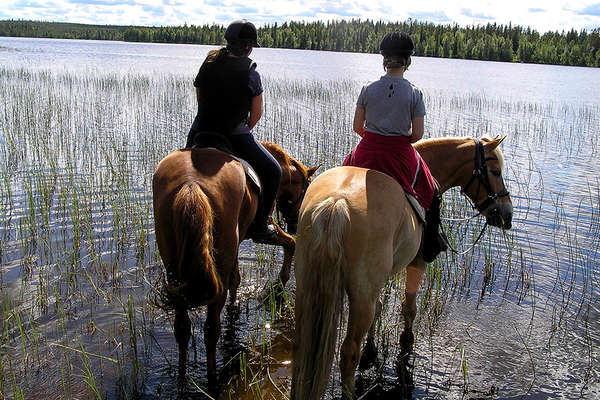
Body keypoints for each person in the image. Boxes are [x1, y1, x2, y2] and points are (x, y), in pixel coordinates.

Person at [343, 31, 447, 262]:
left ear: (384, 60)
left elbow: (357, 126)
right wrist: (398, 140)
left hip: (367, 148)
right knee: (432, 192)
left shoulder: (367, 88)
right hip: (400, 152)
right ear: (408, 61)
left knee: (339, 175)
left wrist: (373, 137)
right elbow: (417, 134)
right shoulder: (414, 93)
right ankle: (429, 245)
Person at [186, 19, 281, 243]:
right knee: (273, 171)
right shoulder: (251, 72)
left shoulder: (208, 62)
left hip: (200, 130)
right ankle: (260, 226)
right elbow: (255, 116)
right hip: (233, 135)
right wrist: (241, 127)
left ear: (228, 42)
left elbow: (200, 98)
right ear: (249, 47)